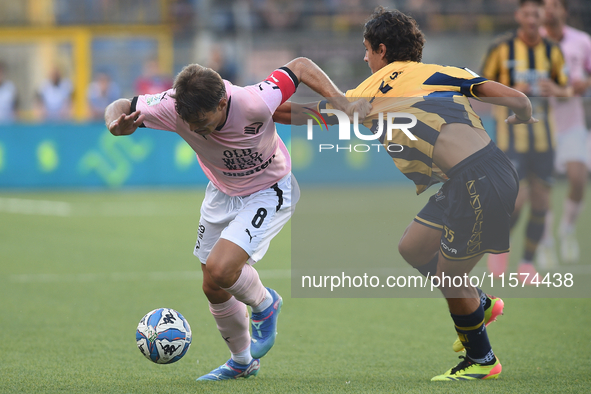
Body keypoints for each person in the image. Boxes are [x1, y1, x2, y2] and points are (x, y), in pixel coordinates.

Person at [274, 7, 536, 381]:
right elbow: (512, 97)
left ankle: (482, 360)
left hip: (477, 180)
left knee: (450, 276)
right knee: (413, 247)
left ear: (381, 49)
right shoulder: (444, 72)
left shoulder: (373, 87)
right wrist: (523, 112)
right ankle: (478, 304)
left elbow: (305, 114)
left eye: (366, 49)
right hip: (482, 173)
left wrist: (258, 109)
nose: (364, 57)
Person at [105, 58, 363, 380]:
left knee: (222, 269)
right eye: (189, 122)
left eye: (202, 120)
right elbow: (120, 105)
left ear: (222, 101)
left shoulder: (253, 100)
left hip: (268, 189)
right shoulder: (172, 105)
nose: (197, 129)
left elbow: (301, 66)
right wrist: (115, 123)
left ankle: (265, 304)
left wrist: (339, 101)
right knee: (212, 285)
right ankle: (242, 362)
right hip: (221, 191)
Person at [480, 0, 569, 282]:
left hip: (545, 139)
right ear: (519, 15)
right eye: (527, 13)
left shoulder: (553, 51)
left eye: (537, 13)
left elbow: (567, 91)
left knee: (541, 202)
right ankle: (498, 246)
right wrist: (510, 93)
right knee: (516, 202)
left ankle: (527, 264)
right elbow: (480, 88)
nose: (532, 18)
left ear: (543, 15)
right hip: (511, 139)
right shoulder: (500, 48)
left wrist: (556, 89)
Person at [537, 0, 591, 266]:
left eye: (556, 4)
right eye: (546, 5)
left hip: (572, 122)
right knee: (543, 185)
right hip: (541, 125)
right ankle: (545, 242)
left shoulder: (581, 41)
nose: (550, 9)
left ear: (565, 11)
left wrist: (578, 86)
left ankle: (567, 230)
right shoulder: (532, 41)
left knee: (578, 179)